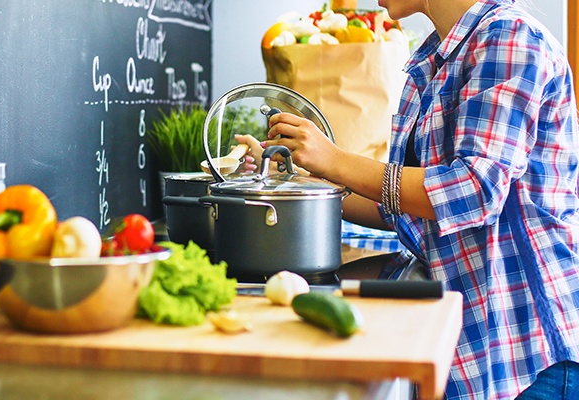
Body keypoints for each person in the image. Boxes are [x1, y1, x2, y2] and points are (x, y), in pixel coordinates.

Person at [241, 0, 579, 398]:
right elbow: (404, 206)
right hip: (474, 335)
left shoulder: (510, 38)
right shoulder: (439, 55)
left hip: (526, 343)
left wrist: (334, 159)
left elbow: (473, 190)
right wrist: (296, 180)